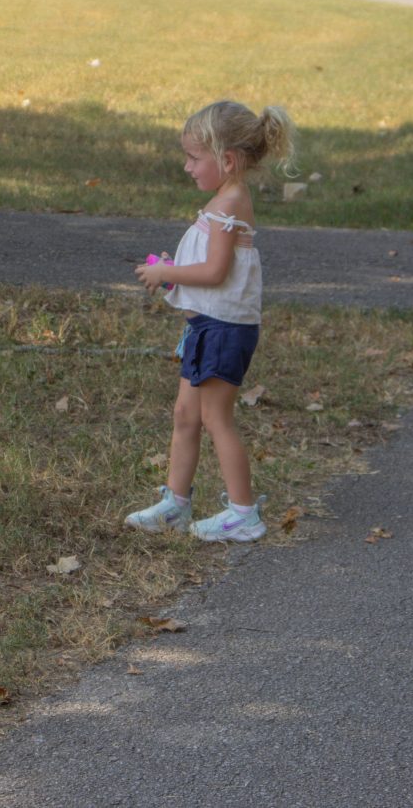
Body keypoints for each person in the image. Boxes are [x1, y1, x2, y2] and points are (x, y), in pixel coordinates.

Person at [124, 100, 296, 542]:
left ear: (228, 160)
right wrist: (173, 270)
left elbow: (215, 272)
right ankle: (175, 504)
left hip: (224, 329)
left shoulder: (231, 202)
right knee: (185, 414)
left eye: (194, 157)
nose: (186, 167)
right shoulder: (224, 199)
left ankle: (243, 513)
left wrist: (166, 274)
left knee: (216, 418)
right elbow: (210, 268)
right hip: (206, 326)